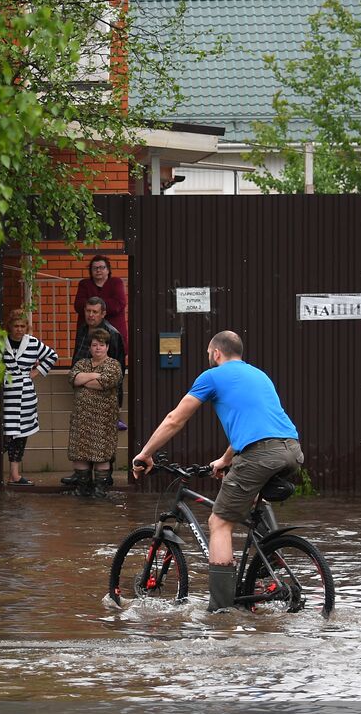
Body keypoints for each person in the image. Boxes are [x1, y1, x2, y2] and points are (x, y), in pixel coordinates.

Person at [131, 330, 302, 612]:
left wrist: (145, 453)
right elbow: (254, 425)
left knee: (219, 523)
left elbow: (175, 419)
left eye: (209, 354)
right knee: (253, 502)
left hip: (260, 454)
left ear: (216, 353)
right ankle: (269, 561)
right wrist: (224, 460)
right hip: (292, 450)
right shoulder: (259, 375)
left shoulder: (211, 376)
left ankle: (221, 610)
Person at [62, 329, 122, 497]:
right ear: (89, 347)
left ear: (107, 347)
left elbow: (105, 383)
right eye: (94, 345)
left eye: (101, 345)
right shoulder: (81, 363)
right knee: (79, 454)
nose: (97, 348)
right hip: (81, 419)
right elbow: (73, 378)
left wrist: (84, 380)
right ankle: (82, 489)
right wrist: (94, 375)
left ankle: (99, 490)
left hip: (103, 420)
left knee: (101, 455)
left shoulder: (113, 365)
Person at [1, 309, 57, 486]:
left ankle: (14, 475)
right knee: (4, 435)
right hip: (5, 394)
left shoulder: (32, 343)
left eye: (22, 326)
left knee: (20, 435)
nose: (19, 329)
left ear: (27, 327)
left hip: (25, 395)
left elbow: (52, 355)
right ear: (9, 326)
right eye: (16, 326)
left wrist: (37, 371)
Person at [73, 255, 128, 357]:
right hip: (88, 332)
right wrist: (104, 305)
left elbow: (118, 304)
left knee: (114, 361)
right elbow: (79, 305)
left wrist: (93, 304)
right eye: (95, 268)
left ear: (108, 270)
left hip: (113, 330)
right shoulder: (84, 284)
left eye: (102, 267)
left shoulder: (116, 283)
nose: (98, 270)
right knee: (85, 360)